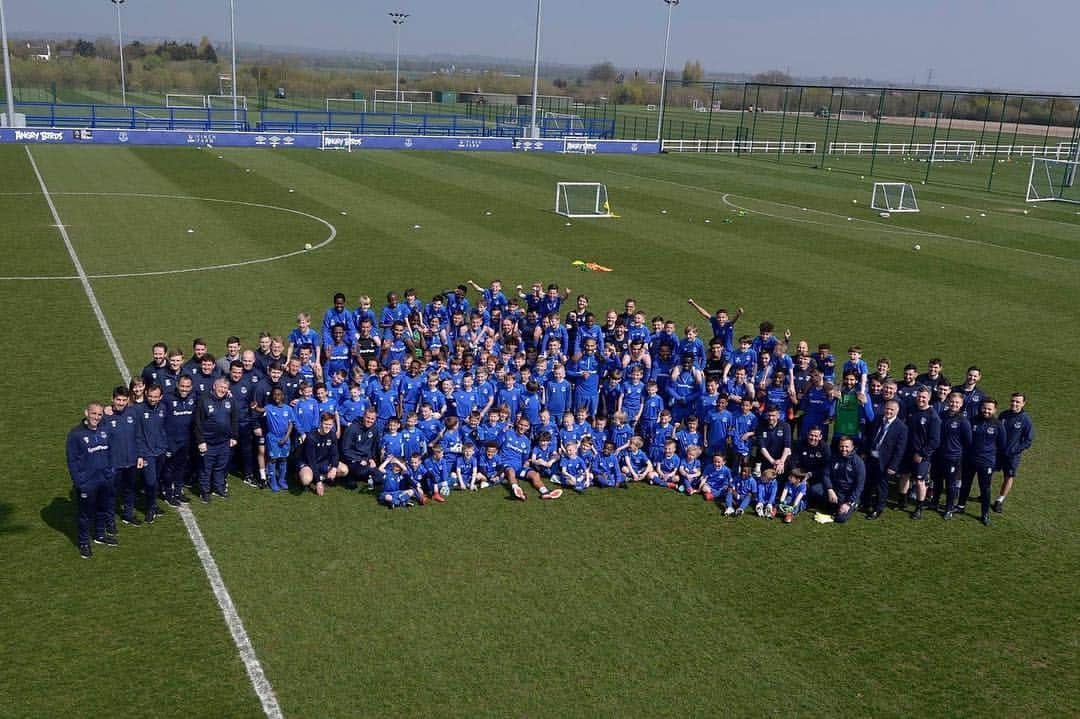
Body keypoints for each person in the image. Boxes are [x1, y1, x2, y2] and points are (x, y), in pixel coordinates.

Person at [66, 403, 116, 558]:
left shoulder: (105, 430)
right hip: (87, 483)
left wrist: (110, 472)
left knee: (102, 508)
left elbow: (111, 452)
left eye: (100, 415)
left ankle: (100, 535)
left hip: (105, 479)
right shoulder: (76, 434)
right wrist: (79, 482)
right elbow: (72, 461)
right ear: (86, 412)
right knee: (85, 514)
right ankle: (83, 543)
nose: (96, 417)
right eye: (93, 414)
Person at [897, 386, 941, 520]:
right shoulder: (912, 409)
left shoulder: (933, 417)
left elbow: (934, 441)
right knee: (904, 476)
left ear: (929, 398)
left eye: (924, 397)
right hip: (907, 452)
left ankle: (919, 508)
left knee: (920, 481)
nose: (920, 399)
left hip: (921, 455)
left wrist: (921, 454)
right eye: (919, 396)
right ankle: (902, 502)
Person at [960, 399, 1006, 525]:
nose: (986, 411)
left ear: (994, 410)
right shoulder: (972, 420)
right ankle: (960, 506)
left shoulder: (998, 425)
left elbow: (1002, 445)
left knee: (985, 489)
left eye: (989, 409)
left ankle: (985, 514)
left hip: (986, 462)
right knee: (965, 485)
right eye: (984, 408)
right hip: (970, 459)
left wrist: (995, 462)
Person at [193, 377, 239, 503]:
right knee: (206, 469)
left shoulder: (230, 400)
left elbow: (234, 419)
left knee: (221, 467)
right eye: (220, 387)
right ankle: (204, 491)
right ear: (214, 386)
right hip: (208, 443)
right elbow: (198, 422)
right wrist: (201, 441)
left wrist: (234, 436)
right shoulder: (204, 400)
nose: (222, 390)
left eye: (225, 388)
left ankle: (218, 488)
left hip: (224, 442)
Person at [862, 399, 908, 520]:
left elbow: (900, 450)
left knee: (881, 486)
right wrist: (865, 452)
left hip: (885, 462)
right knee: (869, 482)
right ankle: (866, 503)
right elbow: (870, 436)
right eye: (887, 408)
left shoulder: (901, 427)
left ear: (897, 411)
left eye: (891, 410)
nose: (888, 411)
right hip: (871, 457)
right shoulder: (878, 419)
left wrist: (893, 466)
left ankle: (878, 508)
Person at [103, 386, 138, 529]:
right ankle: (109, 521)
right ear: (112, 399)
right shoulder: (105, 417)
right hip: (113, 463)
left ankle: (128, 515)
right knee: (111, 494)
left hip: (131, 461)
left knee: (130, 489)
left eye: (124, 400)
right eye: (118, 400)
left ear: (128, 400)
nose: (121, 403)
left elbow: (138, 436)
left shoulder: (132, 413)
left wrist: (140, 456)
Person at [933, 392, 972, 520]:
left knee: (950, 484)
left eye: (957, 402)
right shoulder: (941, 415)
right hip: (938, 454)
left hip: (953, 457)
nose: (954, 404)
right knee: (937, 481)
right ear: (948, 402)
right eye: (952, 401)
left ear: (961, 405)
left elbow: (968, 441)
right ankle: (934, 503)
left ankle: (949, 508)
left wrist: (957, 452)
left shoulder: (963, 421)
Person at [994, 392, 1034, 513]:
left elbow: (1028, 440)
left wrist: (1015, 450)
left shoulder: (1026, 419)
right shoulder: (1004, 415)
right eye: (1013, 401)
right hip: (997, 452)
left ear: (1023, 403)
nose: (1014, 404)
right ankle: (984, 494)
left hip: (1012, 456)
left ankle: (999, 500)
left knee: (1009, 476)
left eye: (1017, 402)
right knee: (988, 472)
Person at [134, 384, 168, 524]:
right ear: (146, 395)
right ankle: (150, 508)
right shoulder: (138, 410)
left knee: (156, 480)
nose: (153, 399)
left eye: (156, 397)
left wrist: (164, 446)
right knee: (150, 481)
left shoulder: (162, 408)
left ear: (160, 397)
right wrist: (140, 454)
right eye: (150, 396)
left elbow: (164, 427)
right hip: (146, 452)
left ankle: (153, 504)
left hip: (160, 450)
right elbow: (135, 434)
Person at [817, 435, 865, 523]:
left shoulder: (858, 462)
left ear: (852, 447)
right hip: (835, 490)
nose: (844, 449)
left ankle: (854, 504)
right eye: (842, 446)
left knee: (841, 518)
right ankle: (832, 504)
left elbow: (859, 486)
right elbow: (825, 474)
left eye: (847, 446)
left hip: (848, 494)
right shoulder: (834, 458)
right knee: (814, 490)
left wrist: (848, 503)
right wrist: (830, 489)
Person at [299, 413, 339, 496]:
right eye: (325, 424)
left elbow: (335, 454)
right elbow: (311, 461)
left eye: (330, 424)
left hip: (323, 461)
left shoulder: (332, 435)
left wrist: (334, 467)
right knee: (306, 480)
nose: (327, 426)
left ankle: (319, 477)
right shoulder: (311, 437)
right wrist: (318, 482)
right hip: (308, 462)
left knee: (344, 470)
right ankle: (303, 476)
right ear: (320, 423)